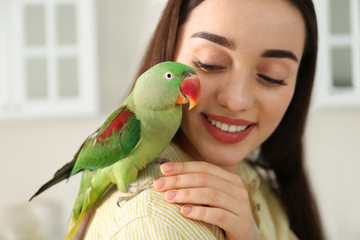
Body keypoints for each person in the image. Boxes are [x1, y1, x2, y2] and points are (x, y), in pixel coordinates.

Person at [83, 0, 325, 239]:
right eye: (210, 63)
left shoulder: (256, 181)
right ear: (170, 51)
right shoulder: (154, 225)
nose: (237, 101)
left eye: (272, 77)